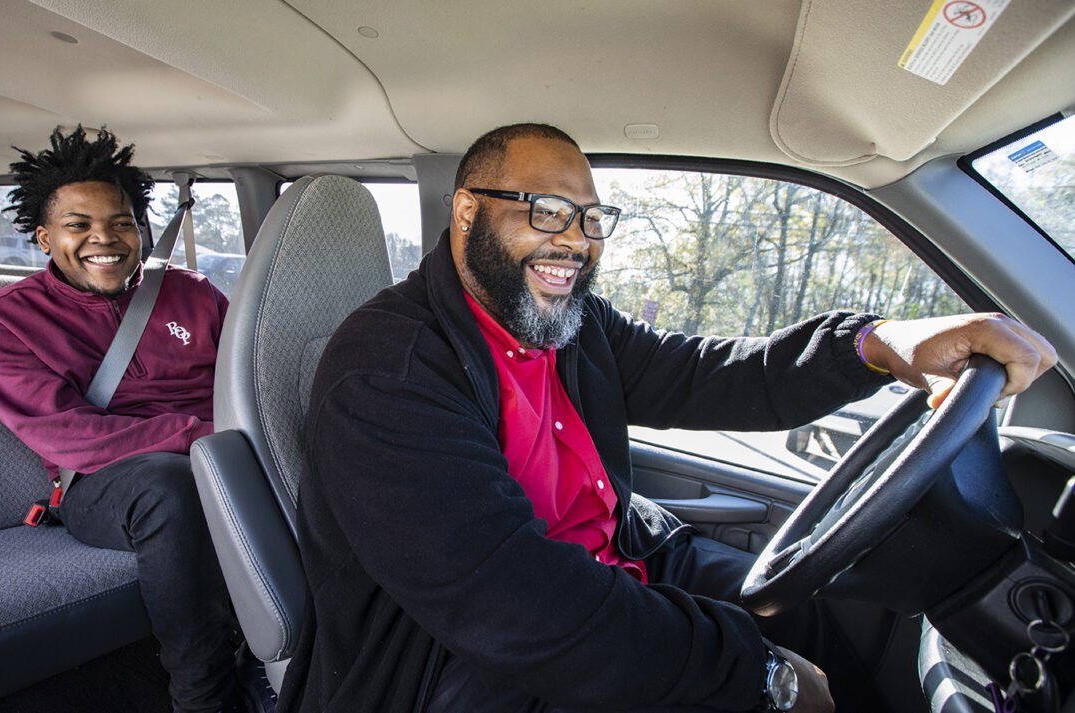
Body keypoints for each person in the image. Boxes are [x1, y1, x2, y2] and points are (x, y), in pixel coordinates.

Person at [277, 123, 1057, 713]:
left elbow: (710, 373)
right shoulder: (390, 372)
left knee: (815, 615)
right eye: (546, 213)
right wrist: (758, 674)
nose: (574, 243)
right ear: (468, 212)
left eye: (590, 219)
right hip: (448, 661)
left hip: (606, 564)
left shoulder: (563, 318)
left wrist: (877, 343)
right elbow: (518, 606)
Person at [0, 126, 250, 713]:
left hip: (227, 459)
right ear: (45, 237)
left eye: (121, 222)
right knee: (169, 487)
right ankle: (205, 695)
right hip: (107, 483)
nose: (105, 239)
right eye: (79, 226)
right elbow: (66, 435)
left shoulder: (194, 294)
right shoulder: (4, 322)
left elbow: (246, 383)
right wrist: (202, 439)